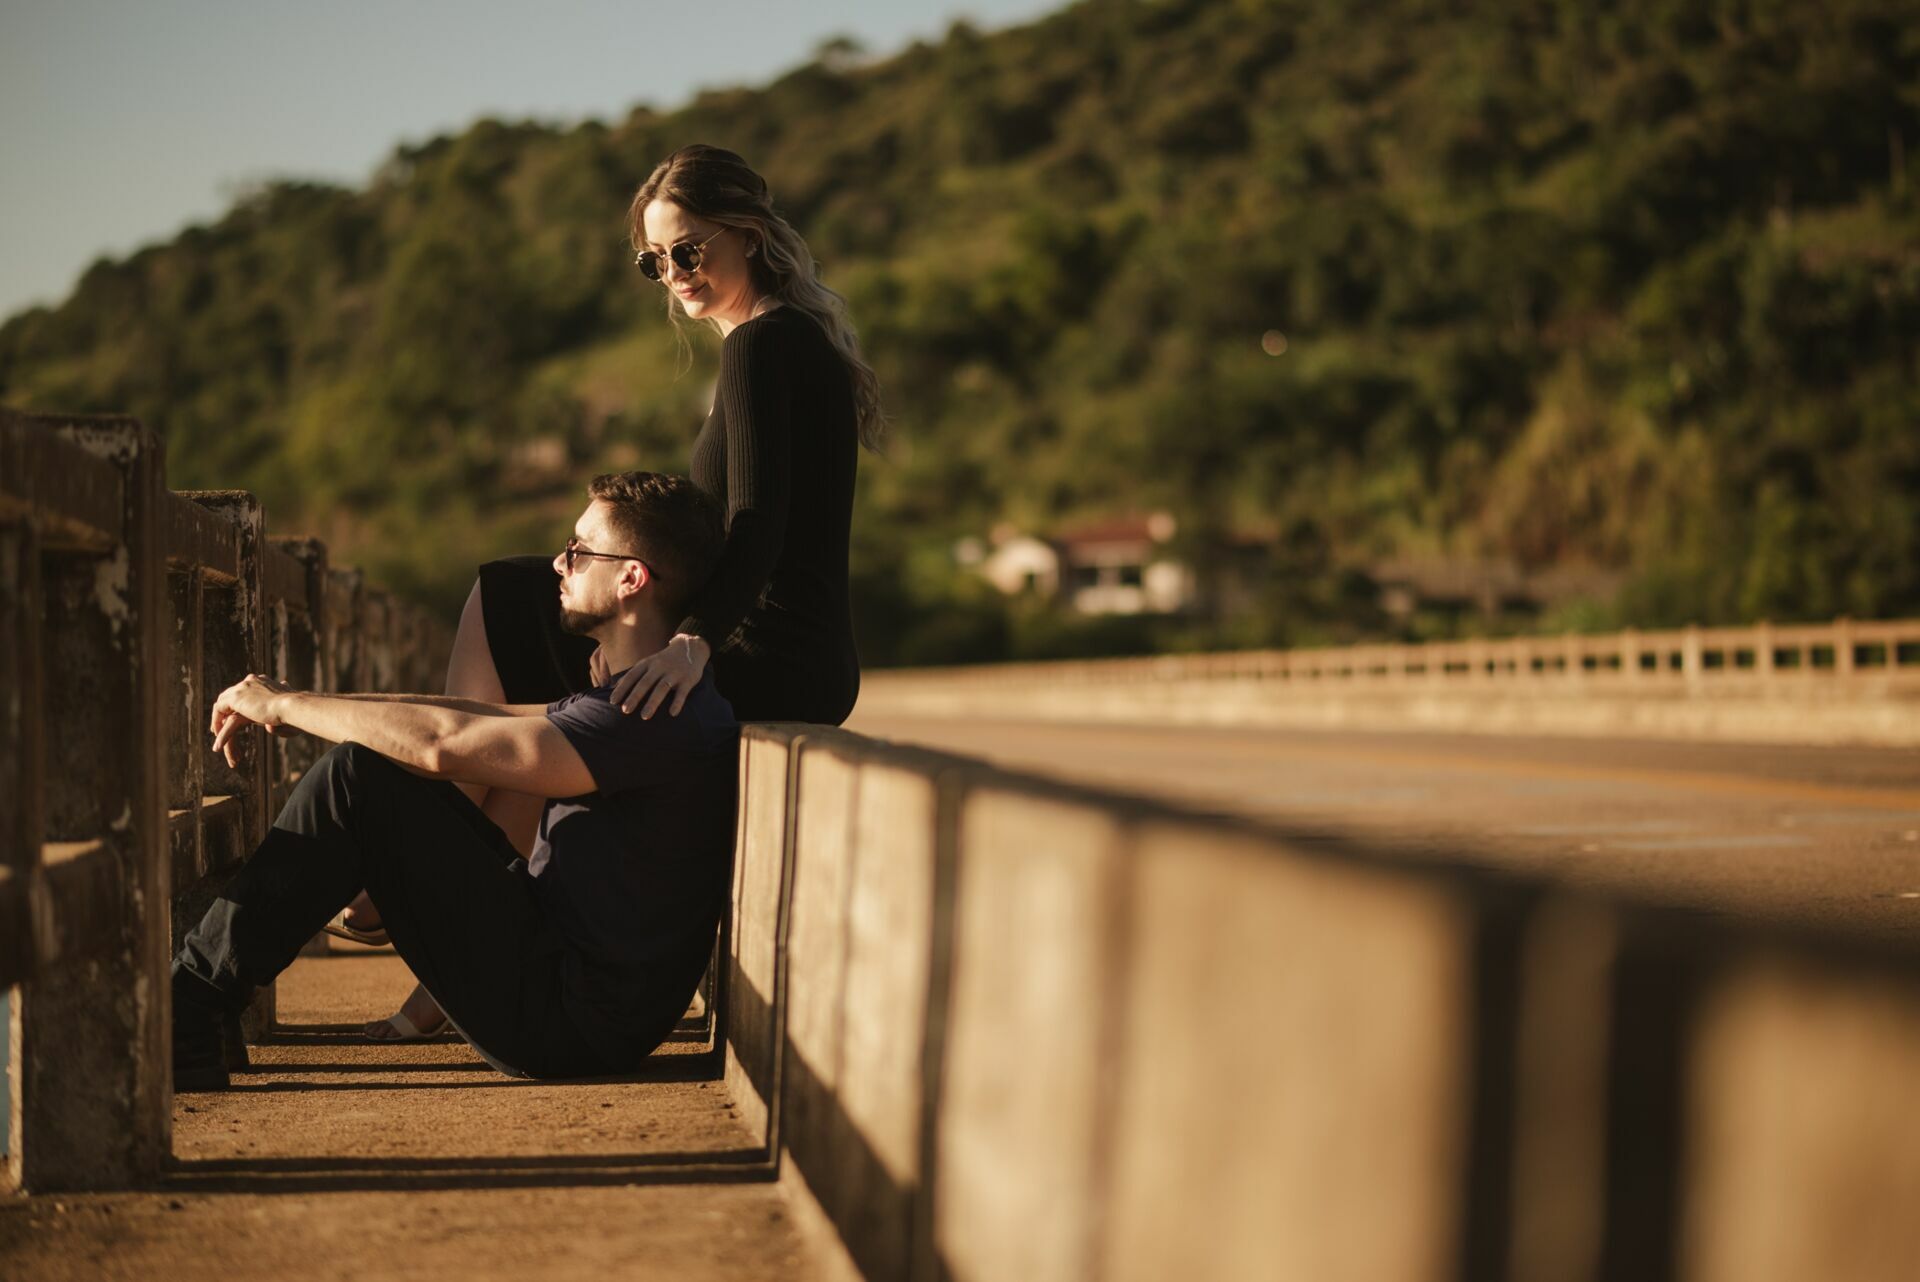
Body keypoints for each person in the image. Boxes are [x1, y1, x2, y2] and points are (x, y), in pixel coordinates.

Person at [333, 143, 887, 1042]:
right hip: (803, 659)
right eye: (655, 260)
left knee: (508, 597)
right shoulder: (793, 342)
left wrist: (694, 640)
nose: (674, 275)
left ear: (747, 235)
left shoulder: (759, 348)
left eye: (690, 251)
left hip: (763, 657)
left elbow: (759, 526)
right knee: (549, 701)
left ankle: (426, 848)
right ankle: (446, 946)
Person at [171, 473, 737, 1089]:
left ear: (632, 578)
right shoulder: (645, 696)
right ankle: (202, 1010)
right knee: (367, 769)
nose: (558, 562)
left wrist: (286, 708)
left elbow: (444, 746)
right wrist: (299, 699)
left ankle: (187, 1008)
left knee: (354, 782)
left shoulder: (647, 713)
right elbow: (474, 717)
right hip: (570, 990)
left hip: (565, 1022)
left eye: (578, 550)